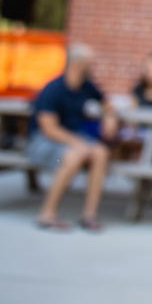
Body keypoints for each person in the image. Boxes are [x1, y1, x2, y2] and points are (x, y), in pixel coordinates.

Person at [27, 42, 118, 231]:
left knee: (100, 153)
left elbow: (106, 104)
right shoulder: (53, 89)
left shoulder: (86, 87)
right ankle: (47, 213)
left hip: (74, 142)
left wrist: (110, 117)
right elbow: (49, 129)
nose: (93, 68)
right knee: (72, 156)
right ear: (77, 64)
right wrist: (79, 143)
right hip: (44, 147)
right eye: (90, 64)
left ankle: (89, 215)